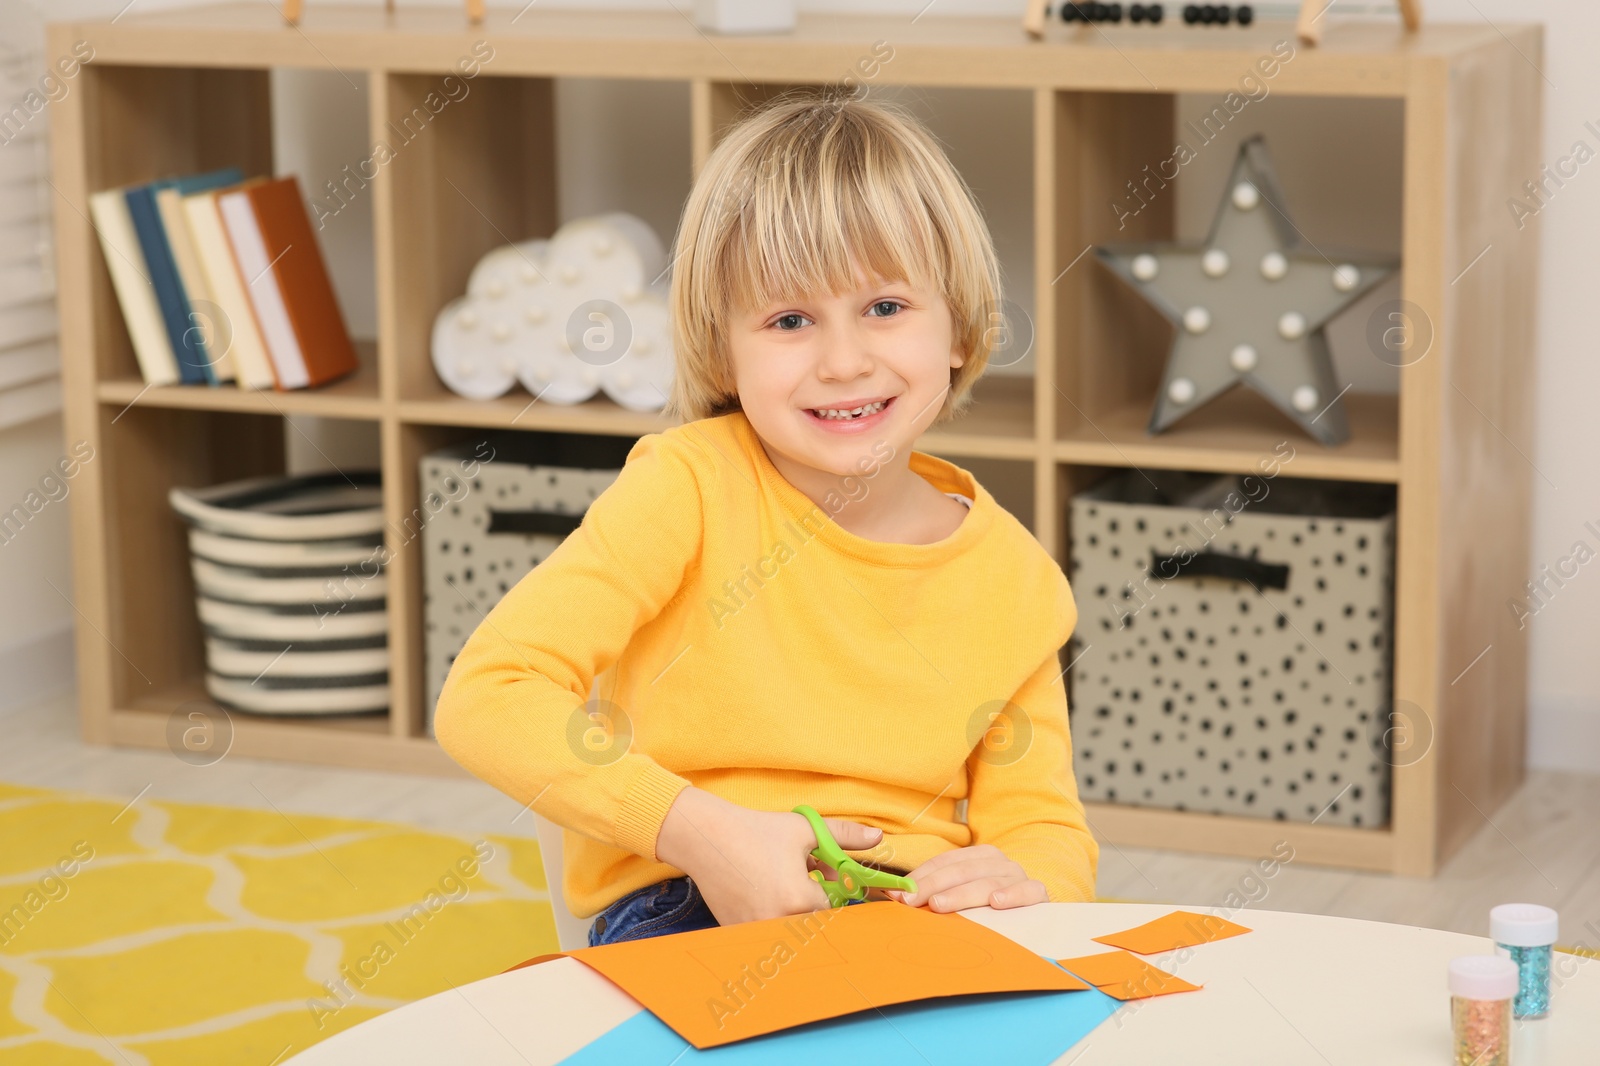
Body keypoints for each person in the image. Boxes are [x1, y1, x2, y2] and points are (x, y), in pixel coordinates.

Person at [433, 89, 1097, 948]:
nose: (845, 361)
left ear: (961, 327)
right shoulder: (688, 488)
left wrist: (1028, 878)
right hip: (689, 889)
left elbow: (1044, 823)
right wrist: (700, 830)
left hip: (913, 911)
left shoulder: (1014, 577)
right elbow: (489, 693)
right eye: (790, 320)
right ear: (721, 352)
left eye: (886, 308)